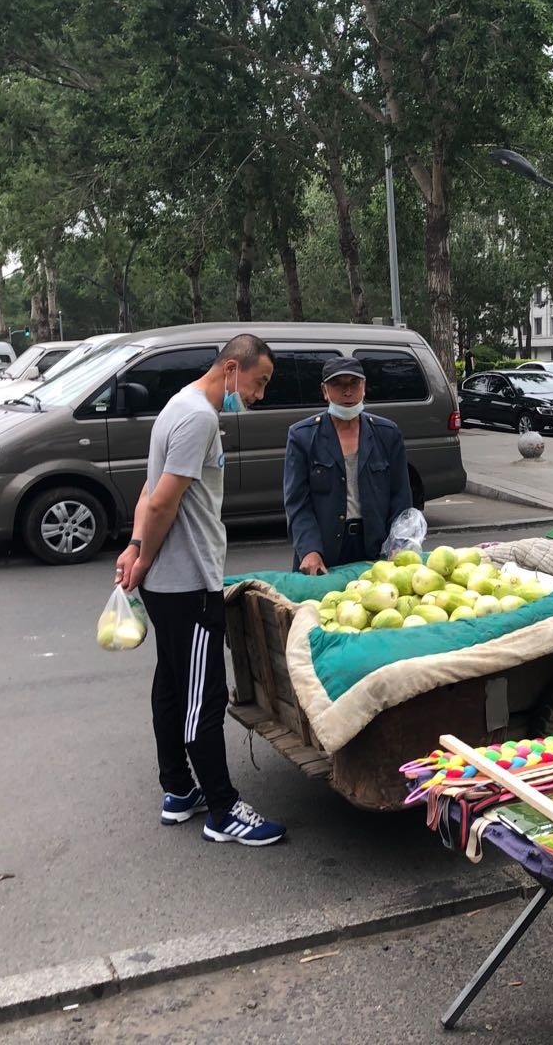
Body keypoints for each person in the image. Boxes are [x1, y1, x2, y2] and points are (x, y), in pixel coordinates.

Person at [115, 334, 287, 847]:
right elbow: (164, 500)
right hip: (188, 582)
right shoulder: (199, 417)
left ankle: (178, 791)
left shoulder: (179, 405)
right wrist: (142, 559)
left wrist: (133, 545)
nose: (258, 396)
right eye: (258, 383)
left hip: (174, 581)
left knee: (170, 685)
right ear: (232, 368)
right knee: (202, 697)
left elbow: (150, 488)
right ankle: (222, 808)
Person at [283, 356, 412, 575]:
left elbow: (401, 497)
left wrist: (398, 545)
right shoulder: (302, 437)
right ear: (325, 391)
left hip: (375, 549)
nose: (347, 392)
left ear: (364, 387)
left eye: (354, 383)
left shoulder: (387, 433)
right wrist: (309, 550)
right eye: (338, 384)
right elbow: (297, 503)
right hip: (324, 552)